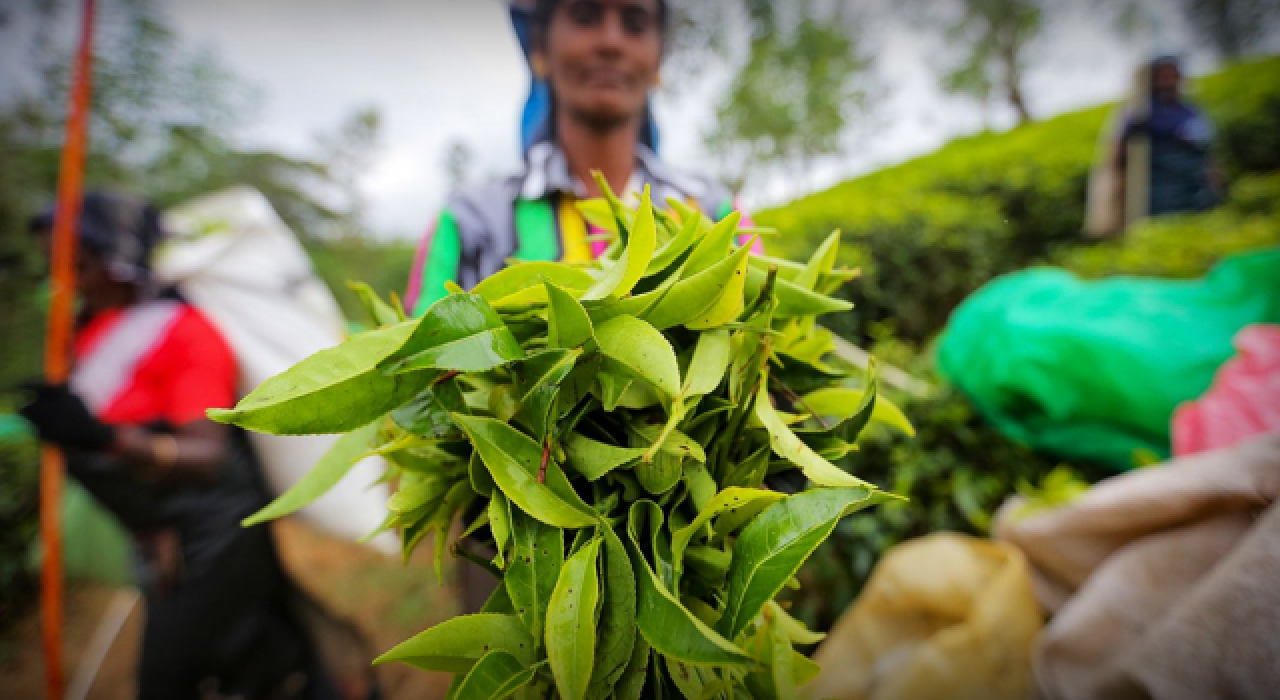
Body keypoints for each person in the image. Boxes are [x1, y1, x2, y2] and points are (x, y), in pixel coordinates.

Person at [19, 191, 339, 700]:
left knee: (175, 677)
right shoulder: (87, 331)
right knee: (256, 654)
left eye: (75, 260)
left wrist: (103, 438)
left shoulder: (184, 331)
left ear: (113, 256)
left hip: (214, 533)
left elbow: (207, 456)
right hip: (164, 532)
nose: (63, 275)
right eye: (53, 261)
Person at [404, 0, 741, 316]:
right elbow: (419, 358)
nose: (611, 42)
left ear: (659, 56)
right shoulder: (471, 221)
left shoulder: (716, 214)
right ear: (540, 46)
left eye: (635, 24)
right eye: (585, 16)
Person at [1085, 54, 1220, 236]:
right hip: (1159, 188)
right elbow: (1118, 152)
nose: (1170, 78)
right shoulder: (1140, 111)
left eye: (1173, 73)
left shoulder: (1188, 109)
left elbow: (1205, 144)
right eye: (1164, 74)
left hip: (1194, 183)